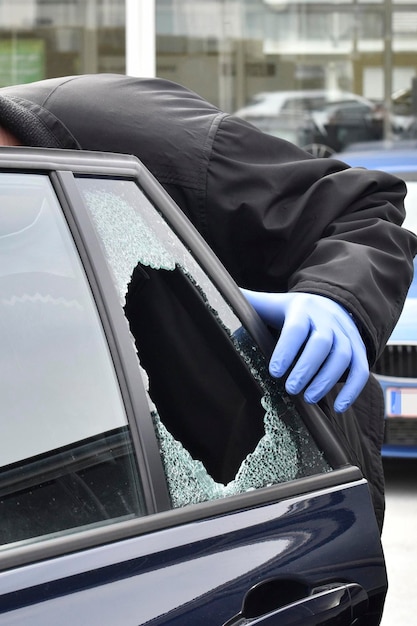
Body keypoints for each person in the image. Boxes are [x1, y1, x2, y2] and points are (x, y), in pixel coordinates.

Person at [0, 74, 415, 532]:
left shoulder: (143, 137)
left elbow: (361, 207)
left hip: (291, 480)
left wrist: (337, 297)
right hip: (90, 476)